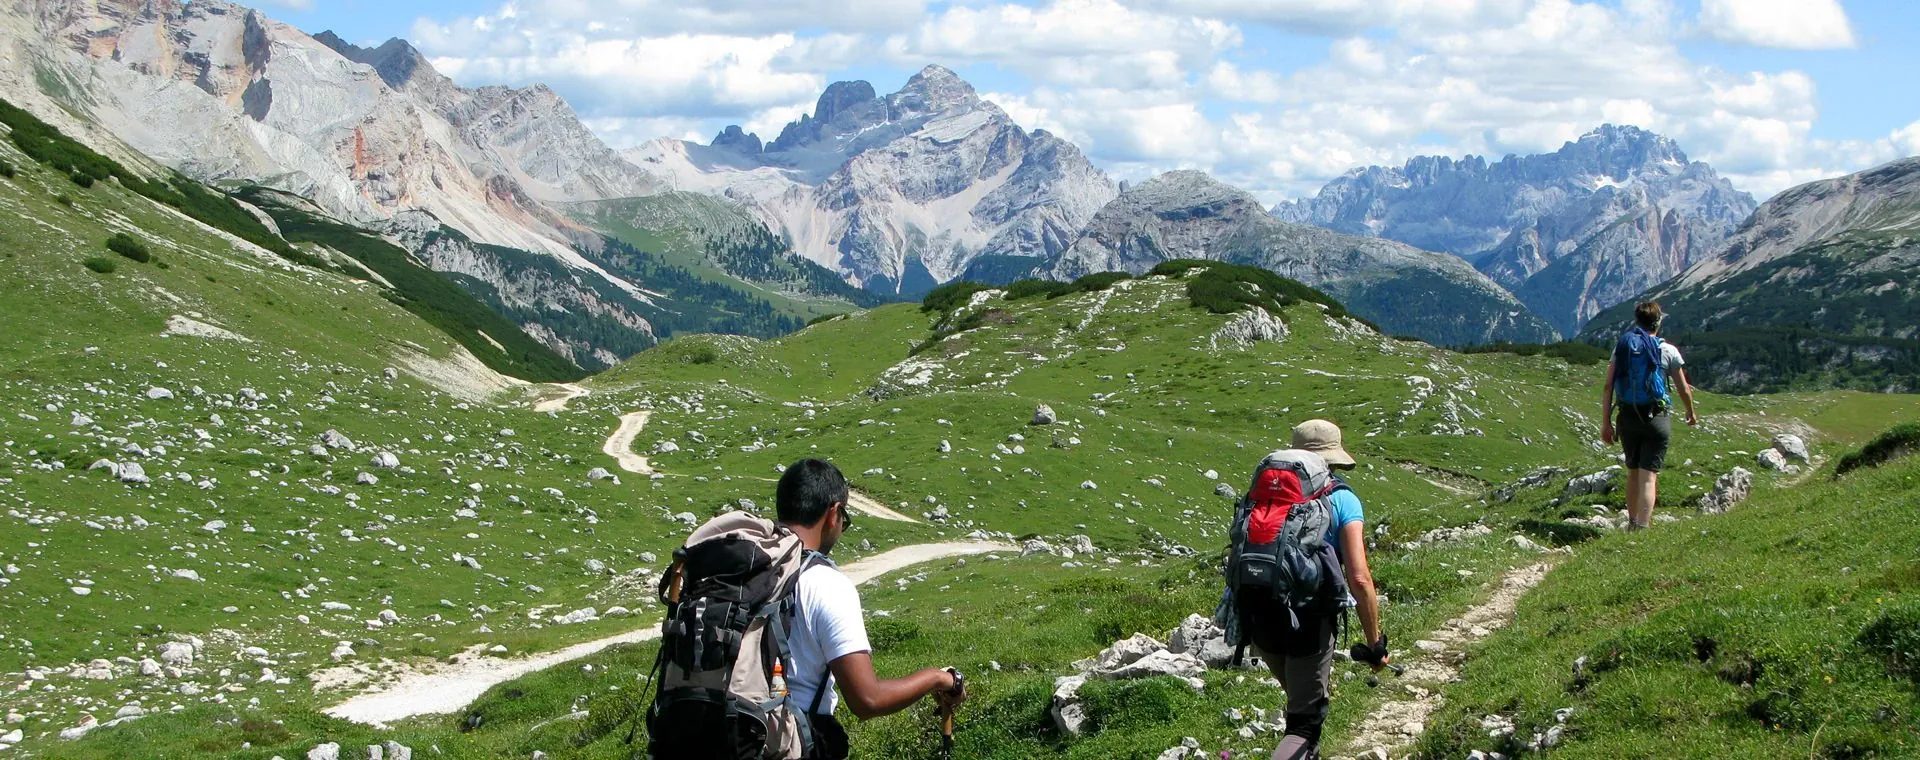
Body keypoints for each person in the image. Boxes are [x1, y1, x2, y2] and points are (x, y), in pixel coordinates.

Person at [775, 459, 966, 759]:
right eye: (844, 520)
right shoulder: (826, 583)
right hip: (785, 740)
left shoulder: (738, 570)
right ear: (833, 513)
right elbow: (867, 700)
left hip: (711, 733)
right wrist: (940, 679)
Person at [1250, 420, 1389, 760]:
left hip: (1256, 611)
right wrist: (1375, 644)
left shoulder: (1265, 494)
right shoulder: (1342, 499)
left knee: (1299, 706)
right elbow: (1359, 578)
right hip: (1308, 619)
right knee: (1304, 725)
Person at [1600, 302, 1699, 530]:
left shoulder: (1622, 348)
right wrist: (1690, 411)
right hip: (1657, 418)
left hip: (1628, 417)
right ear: (1658, 321)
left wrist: (1606, 423)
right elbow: (1683, 388)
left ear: (1637, 321)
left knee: (1633, 473)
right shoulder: (1668, 350)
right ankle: (1642, 530)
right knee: (1649, 477)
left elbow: (1608, 387)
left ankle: (1632, 523)